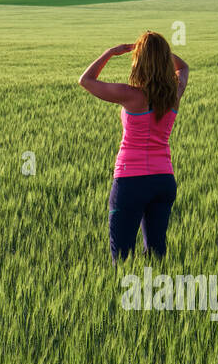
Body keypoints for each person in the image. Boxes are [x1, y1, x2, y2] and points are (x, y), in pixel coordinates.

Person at [78, 31, 189, 262]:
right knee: (157, 253)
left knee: (122, 257)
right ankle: (155, 296)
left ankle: (123, 295)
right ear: (163, 61)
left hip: (131, 181)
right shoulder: (174, 94)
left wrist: (110, 52)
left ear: (141, 61)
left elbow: (85, 81)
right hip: (164, 180)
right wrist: (161, 53)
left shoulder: (130, 95)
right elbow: (184, 68)